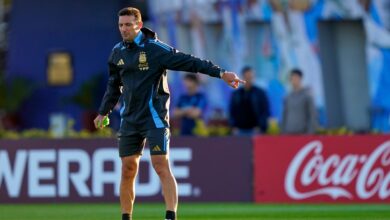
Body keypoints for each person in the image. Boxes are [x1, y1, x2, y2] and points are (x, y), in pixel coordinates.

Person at [93, 7, 245, 220]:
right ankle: (126, 217)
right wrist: (103, 111)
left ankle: (170, 216)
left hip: (154, 117)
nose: (124, 29)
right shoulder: (117, 52)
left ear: (138, 25)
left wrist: (221, 73)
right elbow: (113, 86)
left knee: (160, 165)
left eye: (128, 25)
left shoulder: (155, 49)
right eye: (120, 25)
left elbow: (190, 61)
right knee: (128, 169)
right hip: (129, 119)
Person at [229, 66, 270, 135]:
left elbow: (265, 111)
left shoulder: (260, 93)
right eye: (246, 77)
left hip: (256, 131)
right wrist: (233, 126)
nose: (249, 79)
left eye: (251, 77)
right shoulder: (236, 94)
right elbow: (232, 111)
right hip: (239, 131)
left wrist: (261, 126)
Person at [281, 69, 317, 134]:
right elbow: (284, 115)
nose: (293, 81)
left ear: (300, 78)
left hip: (303, 133)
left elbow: (312, 115)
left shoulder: (307, 95)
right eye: (291, 79)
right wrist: (283, 131)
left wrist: (310, 132)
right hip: (289, 133)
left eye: (295, 78)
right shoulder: (287, 97)